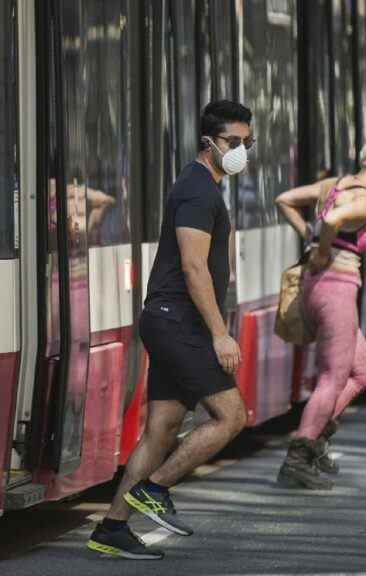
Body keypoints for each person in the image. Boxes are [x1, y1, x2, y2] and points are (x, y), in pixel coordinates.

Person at [87, 101, 250, 559]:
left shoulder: (202, 186)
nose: (242, 151)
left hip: (170, 319)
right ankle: (154, 489)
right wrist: (220, 333)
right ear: (209, 143)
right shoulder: (197, 191)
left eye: (247, 143)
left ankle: (112, 528)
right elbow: (193, 267)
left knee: (162, 428)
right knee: (231, 416)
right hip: (179, 321)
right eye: (234, 143)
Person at [274, 135, 366, 489]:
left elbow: (285, 200)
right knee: (333, 377)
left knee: (361, 369)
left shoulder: (332, 184)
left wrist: (307, 232)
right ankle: (298, 458)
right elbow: (334, 220)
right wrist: (321, 248)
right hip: (335, 287)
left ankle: (317, 438)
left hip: (318, 286)